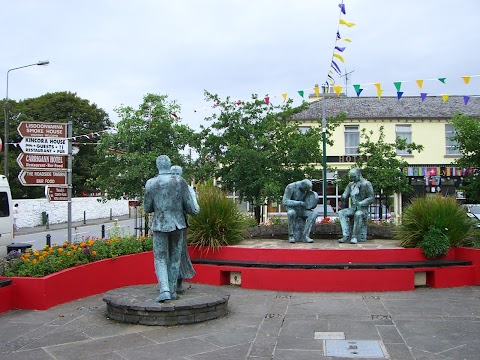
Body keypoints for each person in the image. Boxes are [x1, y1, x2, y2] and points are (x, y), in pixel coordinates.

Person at [144, 155, 200, 302]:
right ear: (169, 166)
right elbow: (192, 209)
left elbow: (147, 208)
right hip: (178, 224)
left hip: (160, 225)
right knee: (175, 257)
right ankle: (173, 290)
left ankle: (165, 290)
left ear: (158, 166)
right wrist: (193, 195)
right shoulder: (180, 182)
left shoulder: (151, 183)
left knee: (160, 258)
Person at [170, 165, 198, 293]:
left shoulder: (161, 186)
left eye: (177, 173)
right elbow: (194, 210)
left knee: (173, 254)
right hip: (175, 225)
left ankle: (172, 284)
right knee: (175, 254)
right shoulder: (183, 188)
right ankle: (172, 285)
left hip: (170, 226)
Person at [338, 168, 374, 244]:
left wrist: (361, 203)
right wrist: (344, 196)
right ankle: (346, 235)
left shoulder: (367, 184)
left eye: (354, 177)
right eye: (351, 177)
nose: (352, 179)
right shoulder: (351, 184)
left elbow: (371, 198)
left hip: (362, 209)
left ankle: (354, 236)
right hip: (353, 208)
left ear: (359, 175)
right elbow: (345, 194)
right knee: (341, 213)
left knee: (358, 214)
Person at [282, 179, 318, 243]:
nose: (306, 191)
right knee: (291, 213)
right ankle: (291, 236)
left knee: (313, 214)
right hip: (293, 209)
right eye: (306, 189)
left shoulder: (306, 189)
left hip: (302, 210)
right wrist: (299, 203)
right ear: (302, 185)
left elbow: (309, 197)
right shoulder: (291, 187)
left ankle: (306, 236)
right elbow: (285, 201)